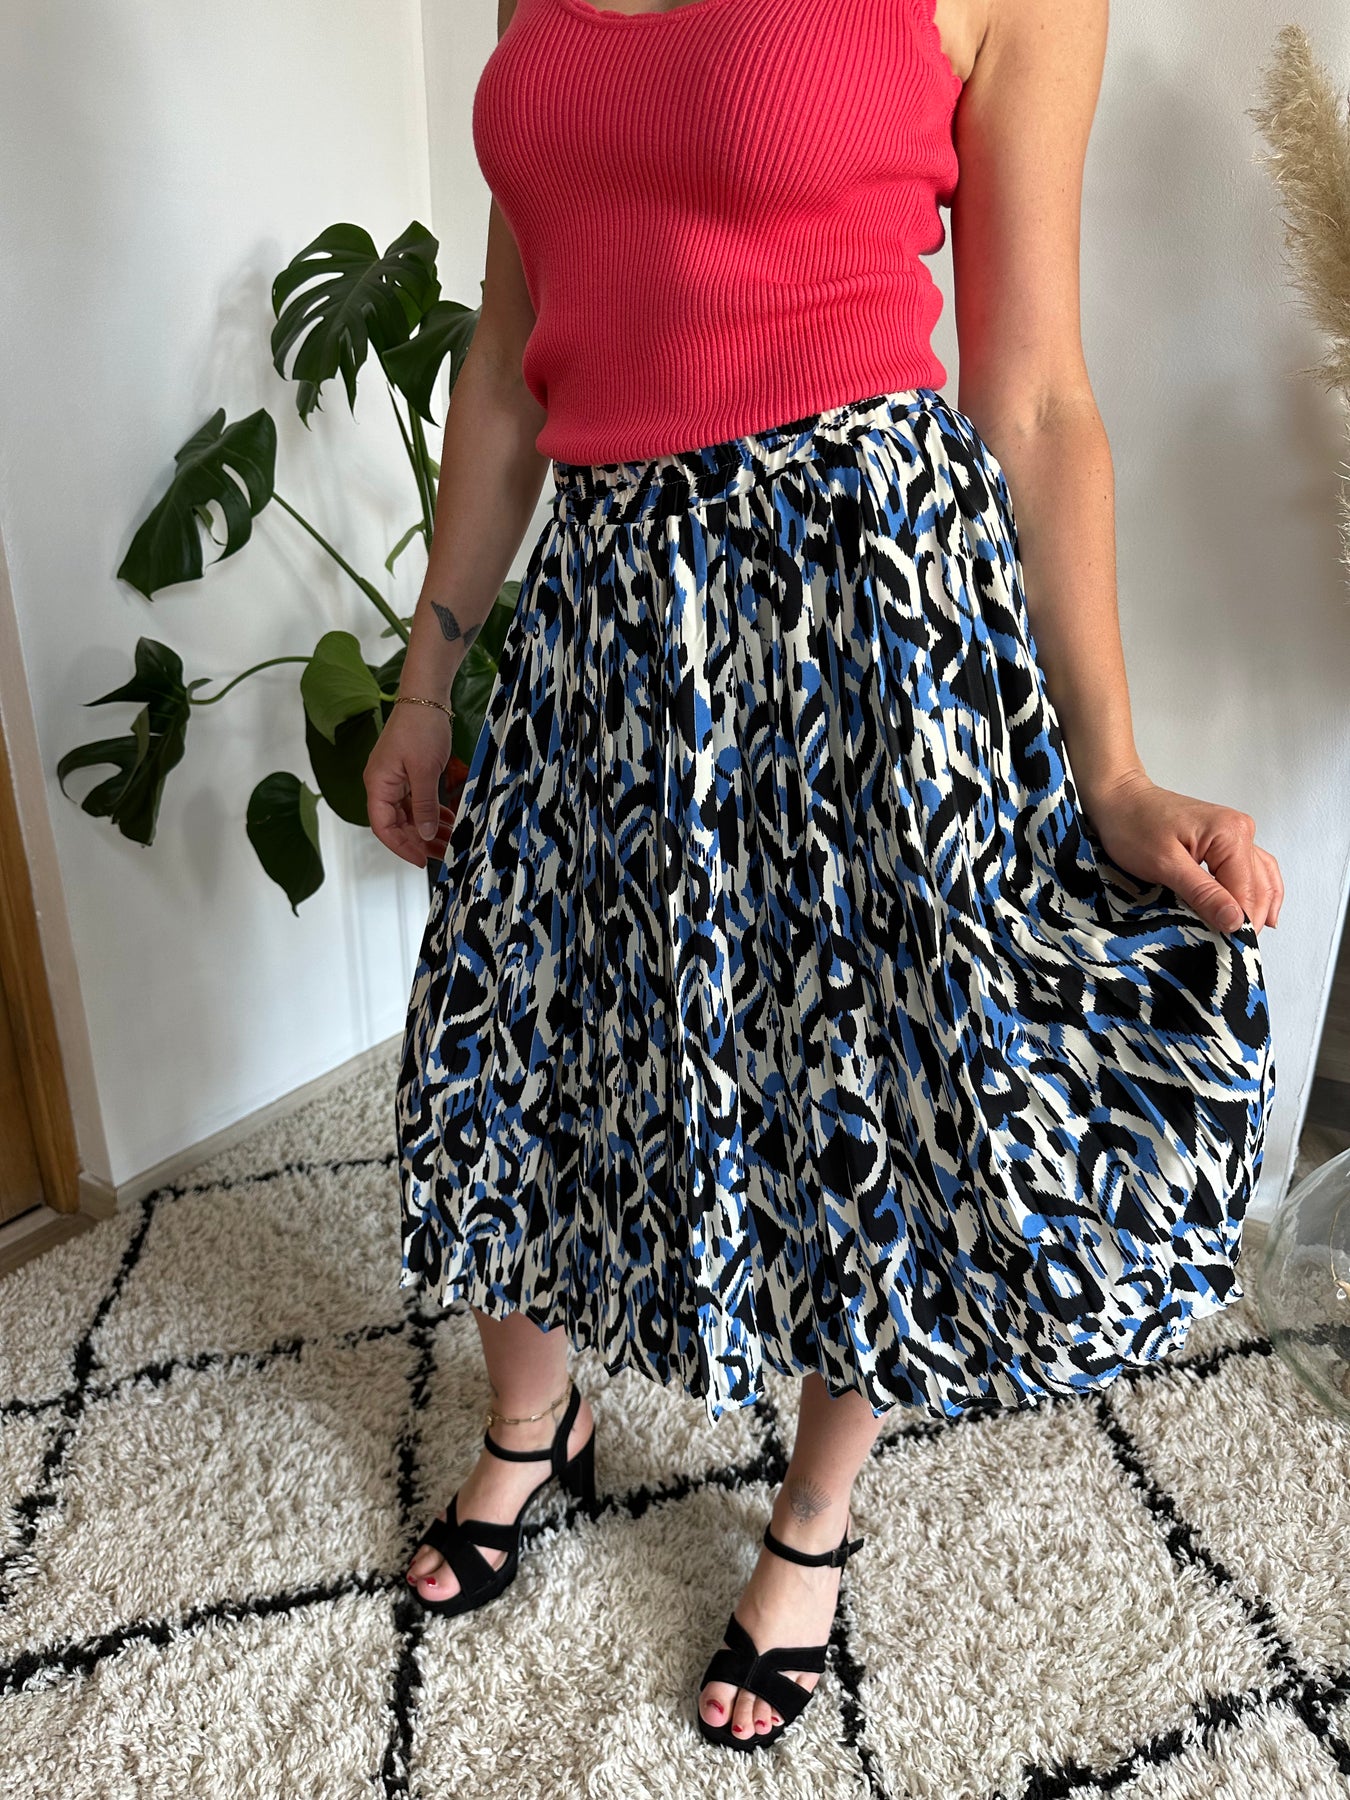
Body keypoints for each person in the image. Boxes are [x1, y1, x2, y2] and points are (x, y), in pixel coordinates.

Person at [364, 0, 1281, 1756]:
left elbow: (1033, 392)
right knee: (514, 1037)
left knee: (852, 1082)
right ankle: (530, 1427)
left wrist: (1108, 768)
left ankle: (808, 1520)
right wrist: (427, 678)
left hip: (856, 605)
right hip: (604, 605)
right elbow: (504, 348)